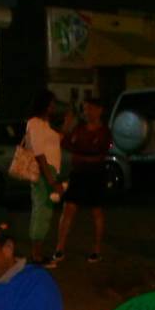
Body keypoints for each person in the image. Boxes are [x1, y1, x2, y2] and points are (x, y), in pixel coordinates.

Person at [52, 96, 112, 266]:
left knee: (96, 211)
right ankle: (59, 247)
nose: (87, 112)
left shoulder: (104, 132)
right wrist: (66, 126)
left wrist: (80, 154)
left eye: (90, 108)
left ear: (99, 110)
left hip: (96, 175)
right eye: (85, 108)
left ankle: (97, 250)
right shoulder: (79, 128)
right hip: (78, 174)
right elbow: (66, 143)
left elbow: (98, 153)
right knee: (68, 209)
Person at [24, 89, 66, 265]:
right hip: (44, 171)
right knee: (42, 211)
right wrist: (51, 179)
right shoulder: (34, 123)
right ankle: (36, 255)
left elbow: (56, 141)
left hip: (50, 170)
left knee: (45, 211)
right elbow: (39, 153)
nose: (53, 107)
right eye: (51, 103)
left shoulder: (45, 123)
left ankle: (37, 253)